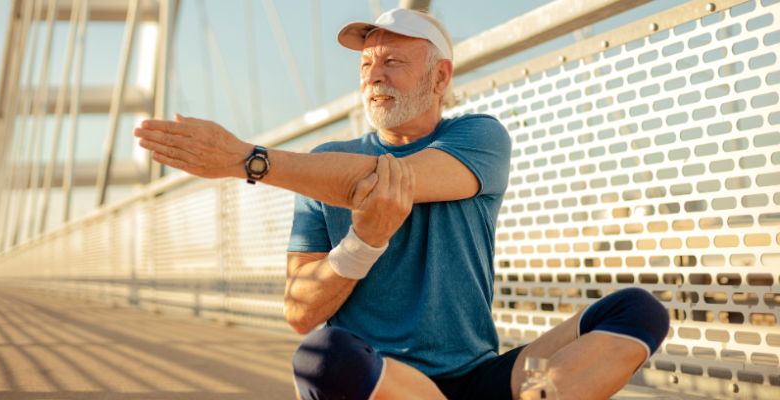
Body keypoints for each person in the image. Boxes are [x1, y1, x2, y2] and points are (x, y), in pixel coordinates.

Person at [134, 8, 670, 400]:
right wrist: (360, 245)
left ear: (440, 77)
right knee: (322, 358)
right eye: (366, 64)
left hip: (479, 376)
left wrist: (248, 160)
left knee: (636, 310)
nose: (373, 76)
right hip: (385, 381)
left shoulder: (478, 137)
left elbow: (393, 181)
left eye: (392, 60)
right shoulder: (325, 163)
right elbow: (300, 312)